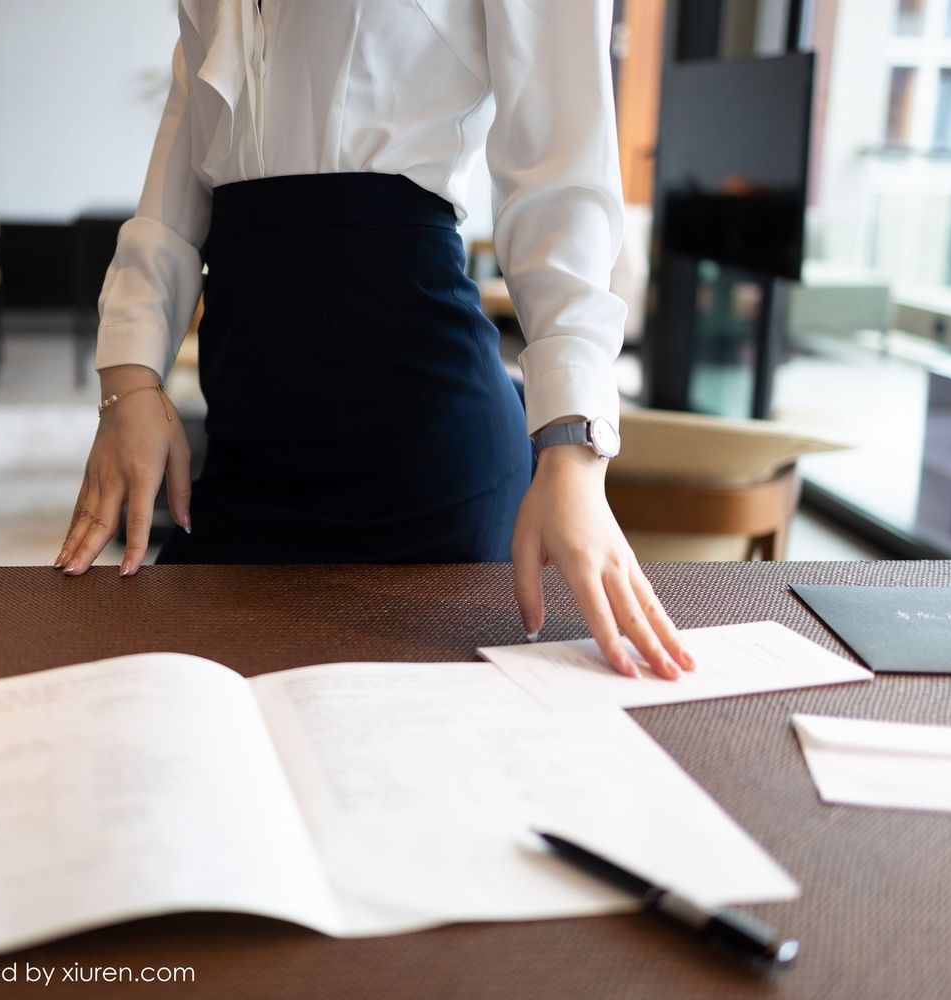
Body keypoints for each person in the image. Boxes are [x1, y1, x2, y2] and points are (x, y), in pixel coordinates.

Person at [55, 0, 694, 680]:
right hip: (249, 448)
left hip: (426, 462)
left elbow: (559, 182)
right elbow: (179, 176)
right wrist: (129, 379)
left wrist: (573, 451)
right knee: (185, 713)